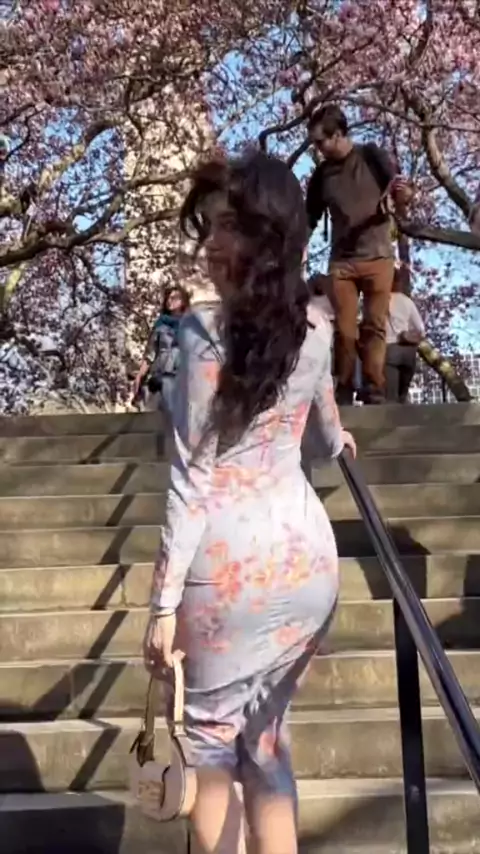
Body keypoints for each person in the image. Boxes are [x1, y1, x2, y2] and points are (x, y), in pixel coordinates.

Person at [143, 150, 356, 854]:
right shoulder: (318, 325)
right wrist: (341, 440)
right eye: (210, 224)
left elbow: (191, 477)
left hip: (226, 571)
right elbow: (325, 439)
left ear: (269, 237)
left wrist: (162, 604)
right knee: (265, 742)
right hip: (305, 562)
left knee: (207, 746)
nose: (212, 242)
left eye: (229, 226)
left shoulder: (203, 335)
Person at [305, 104, 413, 405]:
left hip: (378, 255)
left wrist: (402, 196)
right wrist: (297, 247)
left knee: (374, 325)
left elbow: (397, 189)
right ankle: (342, 389)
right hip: (343, 261)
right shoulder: (322, 175)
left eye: (320, 142)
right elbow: (309, 216)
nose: (317, 148)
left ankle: (374, 388)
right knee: (344, 328)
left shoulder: (370, 156)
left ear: (338, 134)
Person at [132, 285, 190, 412]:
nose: (170, 301)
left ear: (183, 301)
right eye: (168, 298)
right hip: (160, 376)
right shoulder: (160, 325)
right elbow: (150, 354)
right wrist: (140, 375)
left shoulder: (190, 325)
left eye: (174, 298)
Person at [385, 271, 425, 403]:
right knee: (403, 395)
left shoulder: (381, 300)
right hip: (408, 352)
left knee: (391, 397)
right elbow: (421, 330)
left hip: (389, 350)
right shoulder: (407, 302)